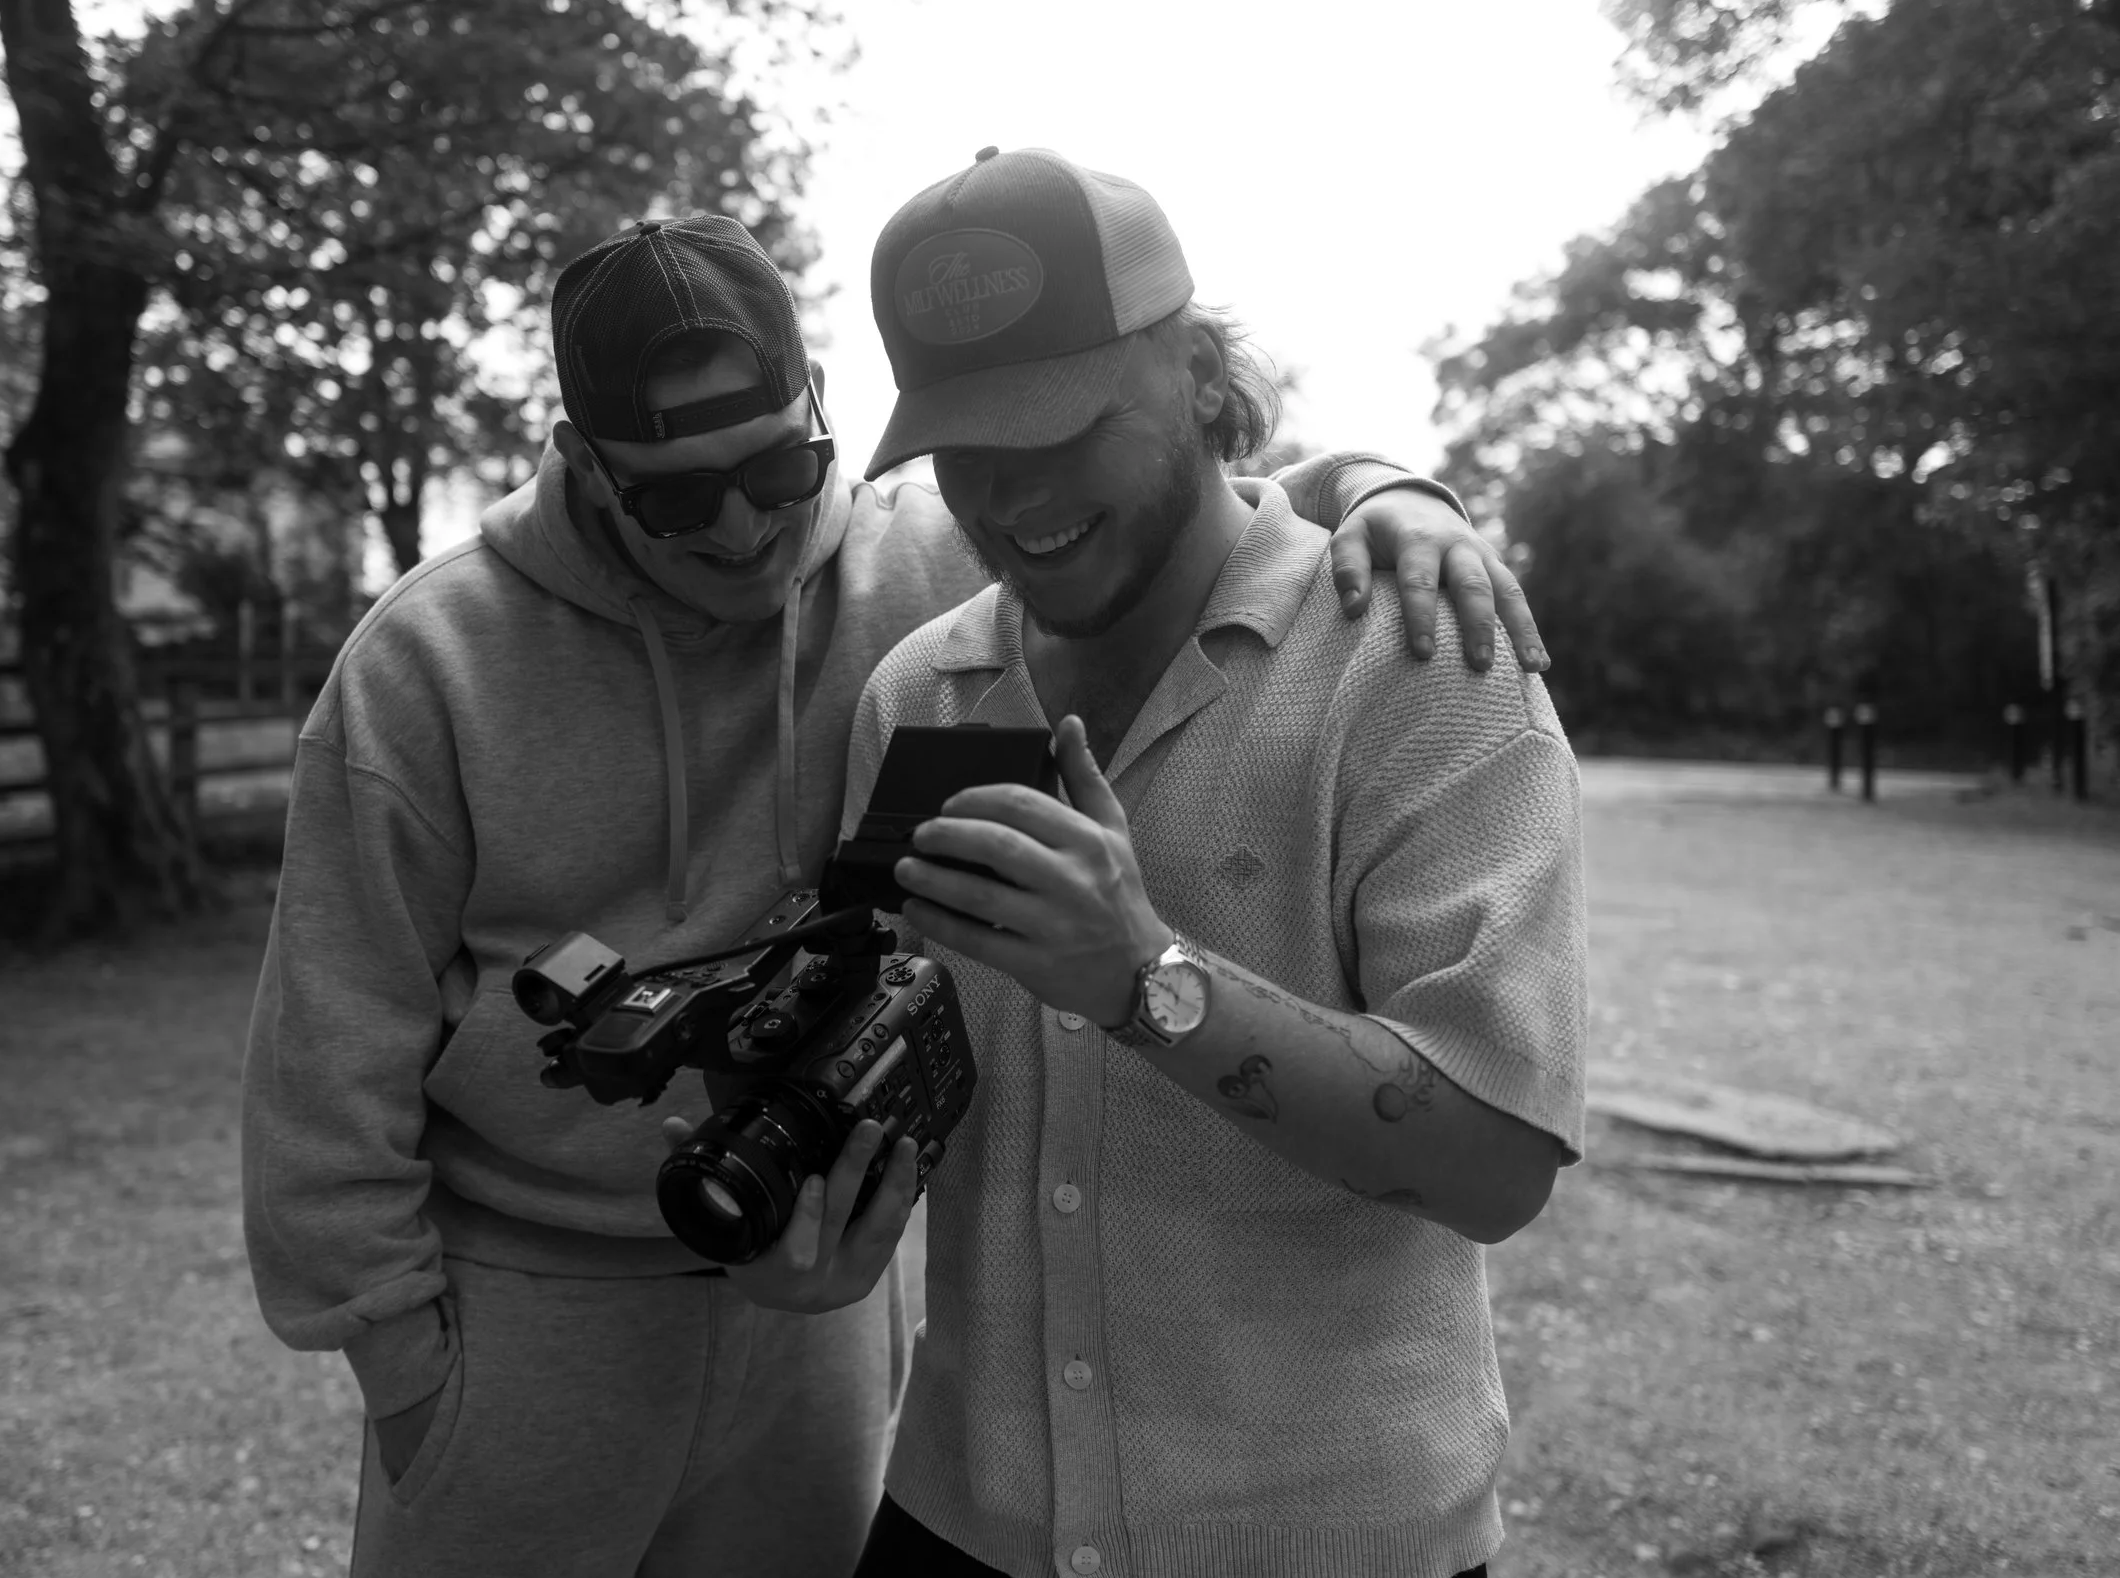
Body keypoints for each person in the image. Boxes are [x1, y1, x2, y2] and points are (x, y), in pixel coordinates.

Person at [240, 208, 1552, 1578]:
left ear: (824, 407)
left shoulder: (939, 563)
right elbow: (331, 1051)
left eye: (778, 465)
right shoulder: (424, 661)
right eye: (678, 496)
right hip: (530, 1313)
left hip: (819, 1309)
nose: (744, 526)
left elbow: (1195, 491)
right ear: (581, 462)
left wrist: (1399, 490)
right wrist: (405, 1376)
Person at [764, 148, 1586, 1578]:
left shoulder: (1415, 663)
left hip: (1322, 1541)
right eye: (967, 442)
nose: (1012, 498)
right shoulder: (925, 695)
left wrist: (1143, 978)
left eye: (1062, 422)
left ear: (1206, 375)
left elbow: (1498, 1165)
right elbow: (907, 1049)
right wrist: (826, 1202)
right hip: (966, 1514)